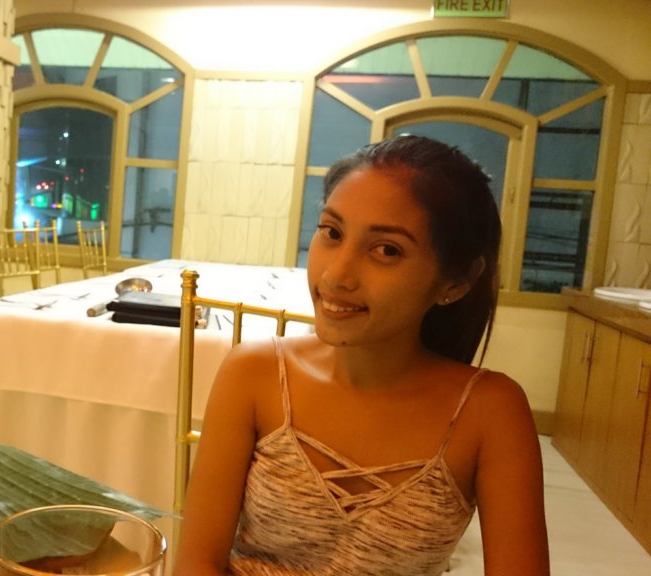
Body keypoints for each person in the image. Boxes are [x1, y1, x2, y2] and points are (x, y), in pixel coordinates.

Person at [173, 135, 549, 575]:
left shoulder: (489, 412)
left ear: (456, 282)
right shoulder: (254, 373)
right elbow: (197, 562)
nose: (336, 275)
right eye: (332, 233)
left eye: (387, 250)